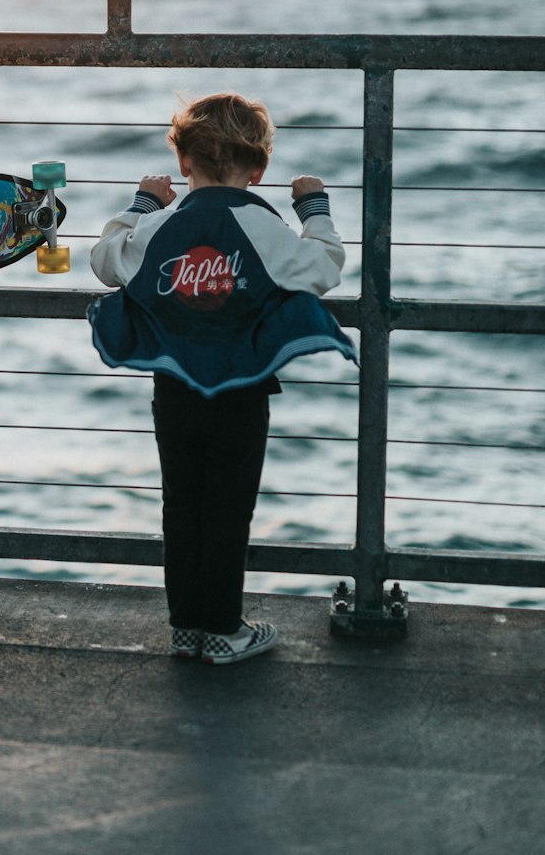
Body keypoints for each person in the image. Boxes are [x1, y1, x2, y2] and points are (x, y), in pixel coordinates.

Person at [88, 91, 357, 665]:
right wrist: (314, 210)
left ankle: (187, 626)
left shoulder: (161, 223)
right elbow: (323, 267)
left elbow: (106, 260)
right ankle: (225, 630)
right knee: (229, 508)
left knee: (180, 505)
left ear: (183, 163)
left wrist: (140, 203)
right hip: (240, 390)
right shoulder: (262, 226)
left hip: (174, 387)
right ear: (258, 170)